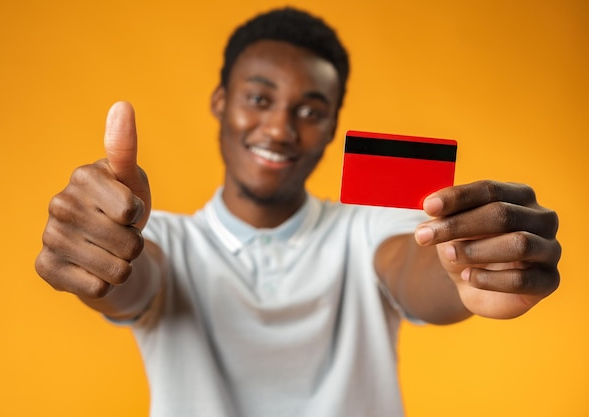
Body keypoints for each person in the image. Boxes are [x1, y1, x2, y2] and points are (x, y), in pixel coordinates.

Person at [35, 7, 561, 417]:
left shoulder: (367, 228)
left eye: (310, 111)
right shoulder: (165, 242)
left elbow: (415, 265)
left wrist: (468, 269)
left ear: (333, 127)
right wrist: (98, 247)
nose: (281, 129)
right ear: (221, 101)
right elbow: (130, 275)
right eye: (259, 99)